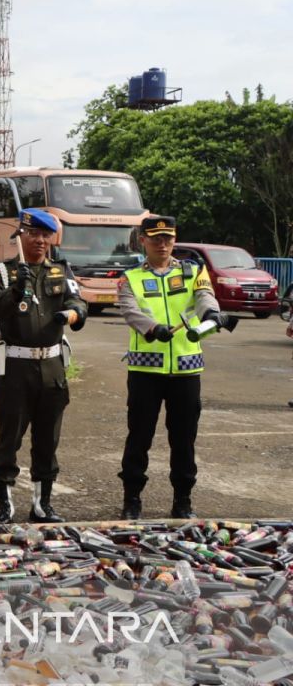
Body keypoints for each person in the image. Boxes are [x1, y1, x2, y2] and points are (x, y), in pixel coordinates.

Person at [117, 215, 228, 520]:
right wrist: (154, 329)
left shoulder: (193, 271)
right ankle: (132, 499)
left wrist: (212, 315)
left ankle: (183, 500)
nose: (162, 244)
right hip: (145, 372)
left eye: (167, 238)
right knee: (139, 436)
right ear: (143, 241)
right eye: (155, 238)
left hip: (186, 369)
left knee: (184, 439)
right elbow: (130, 311)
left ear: (174, 240)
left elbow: (205, 298)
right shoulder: (130, 278)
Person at [0, 208, 87, 524]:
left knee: (47, 439)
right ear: (21, 235)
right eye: (34, 234)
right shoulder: (2, 272)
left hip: (52, 368)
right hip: (15, 367)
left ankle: (42, 504)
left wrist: (71, 315)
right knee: (10, 437)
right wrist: (16, 290)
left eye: (45, 235)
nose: (40, 240)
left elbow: (78, 303)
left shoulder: (61, 271)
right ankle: (5, 503)